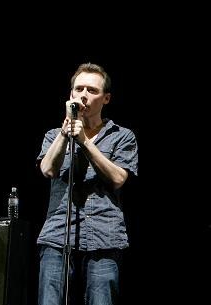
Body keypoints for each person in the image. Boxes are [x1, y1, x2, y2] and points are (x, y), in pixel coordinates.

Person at [36, 63, 138, 305]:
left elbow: (118, 178)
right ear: (71, 95)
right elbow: (48, 169)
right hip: (58, 236)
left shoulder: (122, 136)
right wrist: (65, 133)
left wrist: (85, 142)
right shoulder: (53, 135)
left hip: (104, 236)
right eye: (78, 89)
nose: (83, 95)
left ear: (106, 98)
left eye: (92, 90)